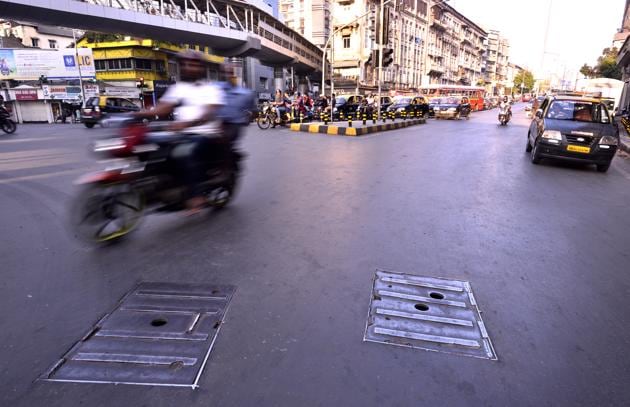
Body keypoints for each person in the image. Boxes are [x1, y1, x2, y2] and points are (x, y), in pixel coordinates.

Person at [135, 49, 224, 213]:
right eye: (186, 64)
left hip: (204, 135)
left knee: (185, 152)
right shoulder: (178, 88)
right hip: (180, 134)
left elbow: (209, 112)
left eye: (193, 64)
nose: (189, 67)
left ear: (201, 68)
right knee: (146, 141)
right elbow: (163, 108)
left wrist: (187, 124)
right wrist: (140, 113)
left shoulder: (211, 88)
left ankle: (196, 195)